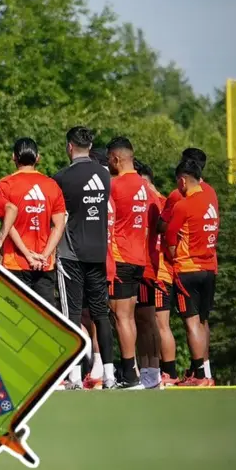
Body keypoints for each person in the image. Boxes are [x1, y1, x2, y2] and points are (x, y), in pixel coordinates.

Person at [52, 127, 115, 389]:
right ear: (90, 147)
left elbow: (56, 217)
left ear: (69, 147)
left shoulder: (62, 178)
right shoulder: (104, 174)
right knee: (101, 314)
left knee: (72, 315)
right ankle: (110, 376)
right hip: (98, 253)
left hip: (71, 254)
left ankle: (75, 376)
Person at [164, 158, 219, 387]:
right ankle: (205, 372)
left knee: (191, 323)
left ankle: (198, 375)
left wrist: (175, 256)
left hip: (188, 270)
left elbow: (169, 238)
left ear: (183, 181)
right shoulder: (211, 197)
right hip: (209, 268)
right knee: (203, 321)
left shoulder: (183, 205)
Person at [0, 137, 67, 307]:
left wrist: (28, 255)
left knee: (15, 315)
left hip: (15, 262)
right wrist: (44, 255)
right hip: (44, 264)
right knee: (46, 317)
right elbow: (59, 225)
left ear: (14, 157)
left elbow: (8, 224)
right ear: (38, 158)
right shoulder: (52, 185)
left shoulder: (5, 184)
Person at [105, 137, 148, 389]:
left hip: (121, 258)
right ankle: (133, 371)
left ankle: (130, 375)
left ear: (116, 159)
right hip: (138, 258)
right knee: (128, 317)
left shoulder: (115, 185)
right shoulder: (144, 186)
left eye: (110, 159)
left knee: (121, 318)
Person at [134, 160, 176, 388]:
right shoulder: (161, 201)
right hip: (155, 269)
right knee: (149, 323)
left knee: (157, 323)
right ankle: (154, 371)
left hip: (156, 271)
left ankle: (164, 372)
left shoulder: (153, 201)